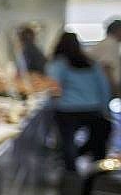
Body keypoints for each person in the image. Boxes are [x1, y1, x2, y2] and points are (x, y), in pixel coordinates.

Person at [46, 32, 112, 172]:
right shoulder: (92, 63)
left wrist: (49, 107)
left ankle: (71, 173)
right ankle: (97, 172)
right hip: (93, 109)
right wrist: (105, 109)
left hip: (67, 110)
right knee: (98, 140)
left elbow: (53, 87)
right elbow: (104, 87)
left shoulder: (59, 64)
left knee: (67, 142)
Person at [88, 19, 121, 94]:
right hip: (106, 87)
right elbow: (107, 68)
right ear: (118, 30)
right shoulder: (109, 44)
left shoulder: (111, 44)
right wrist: (115, 89)